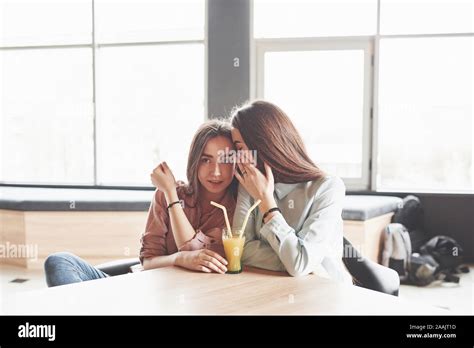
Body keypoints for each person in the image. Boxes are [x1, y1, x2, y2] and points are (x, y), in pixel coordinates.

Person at [44, 120, 237, 287]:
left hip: (191, 300)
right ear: (195, 161)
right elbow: (148, 261)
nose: (216, 172)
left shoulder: (238, 211)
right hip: (146, 291)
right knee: (59, 261)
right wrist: (179, 258)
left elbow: (201, 258)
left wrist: (170, 195)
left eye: (225, 161)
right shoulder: (167, 194)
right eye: (206, 160)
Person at [230, 100, 351, 282]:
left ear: (263, 145)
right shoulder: (249, 183)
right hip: (274, 288)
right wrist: (294, 259)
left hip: (324, 295)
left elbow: (299, 264)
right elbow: (240, 250)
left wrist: (266, 201)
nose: (238, 157)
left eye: (239, 148)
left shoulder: (328, 187)